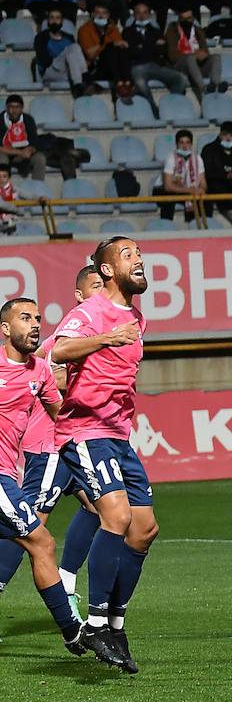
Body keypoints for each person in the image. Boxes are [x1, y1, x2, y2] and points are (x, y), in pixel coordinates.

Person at [53, 237, 162, 673]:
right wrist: (105, 338)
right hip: (84, 431)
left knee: (144, 529)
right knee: (114, 518)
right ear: (107, 271)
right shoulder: (90, 313)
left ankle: (115, 622)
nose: (138, 260)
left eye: (139, 253)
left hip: (118, 435)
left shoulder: (137, 317)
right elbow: (56, 351)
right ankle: (95, 622)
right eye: (128, 255)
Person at [6, 269, 105, 621]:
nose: (104, 291)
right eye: (97, 286)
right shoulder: (67, 337)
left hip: (74, 440)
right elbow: (52, 376)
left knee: (99, 508)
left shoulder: (98, 332)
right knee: (30, 527)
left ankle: (65, 579)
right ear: (79, 295)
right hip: (49, 442)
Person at [0, 298, 88, 659]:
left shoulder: (39, 371)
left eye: (37, 318)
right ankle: (73, 632)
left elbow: (61, 416)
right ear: (6, 329)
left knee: (39, 542)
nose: (34, 324)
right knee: (42, 542)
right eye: (25, 318)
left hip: (8, 471)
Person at [76, 3, 135, 103]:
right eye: (97, 13)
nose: (100, 16)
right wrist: (107, 45)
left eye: (104, 13)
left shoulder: (112, 28)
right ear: (93, 15)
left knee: (120, 50)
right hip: (96, 68)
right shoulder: (84, 29)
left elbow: (120, 47)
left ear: (108, 15)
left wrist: (114, 45)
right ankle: (121, 83)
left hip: (113, 67)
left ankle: (125, 82)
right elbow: (90, 54)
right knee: (110, 48)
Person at [165, 6, 224, 101]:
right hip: (180, 66)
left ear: (193, 18)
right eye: (182, 19)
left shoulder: (198, 31)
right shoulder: (172, 29)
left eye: (188, 18)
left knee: (216, 57)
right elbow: (172, 55)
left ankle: (216, 84)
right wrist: (192, 54)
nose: (186, 21)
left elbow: (205, 51)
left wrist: (203, 54)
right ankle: (203, 88)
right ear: (179, 19)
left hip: (197, 65)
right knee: (190, 58)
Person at [153, 129, 205, 222]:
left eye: (187, 142)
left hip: (186, 190)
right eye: (181, 143)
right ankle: (167, 226)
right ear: (176, 144)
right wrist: (190, 191)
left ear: (191, 144)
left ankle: (196, 227)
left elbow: (203, 182)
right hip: (162, 190)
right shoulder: (171, 158)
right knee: (169, 198)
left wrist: (201, 190)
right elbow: (168, 186)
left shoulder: (197, 158)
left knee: (201, 198)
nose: (185, 146)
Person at [35, 10, 88, 97]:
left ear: (62, 21)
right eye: (51, 18)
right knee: (70, 50)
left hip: (69, 72)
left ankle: (79, 82)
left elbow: (76, 57)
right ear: (48, 21)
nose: (54, 21)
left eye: (57, 18)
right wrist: (63, 56)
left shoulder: (69, 37)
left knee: (75, 47)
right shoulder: (41, 37)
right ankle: (82, 81)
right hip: (51, 70)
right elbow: (43, 60)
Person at [1, 95, 48, 182]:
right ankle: (4, 189)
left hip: (25, 152)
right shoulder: (0, 120)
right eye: (11, 107)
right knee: (1, 159)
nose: (14, 110)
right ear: (6, 108)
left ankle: (37, 188)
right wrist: (19, 152)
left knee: (40, 158)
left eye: (17, 107)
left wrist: (29, 150)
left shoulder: (28, 119)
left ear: (22, 108)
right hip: (7, 152)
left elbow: (35, 142)